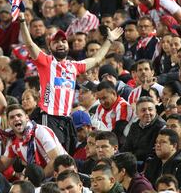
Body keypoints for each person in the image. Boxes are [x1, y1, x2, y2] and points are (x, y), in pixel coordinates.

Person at [18, 11, 123, 153]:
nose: (60, 44)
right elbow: (29, 45)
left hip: (67, 120)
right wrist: (23, 21)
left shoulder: (73, 66)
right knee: (54, 158)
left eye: (63, 41)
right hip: (49, 118)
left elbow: (97, 59)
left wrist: (109, 40)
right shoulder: (46, 62)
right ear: (50, 48)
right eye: (56, 42)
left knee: (67, 156)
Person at [0, 104, 66, 178]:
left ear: (27, 118)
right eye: (12, 117)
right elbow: (2, 165)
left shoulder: (40, 131)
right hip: (42, 179)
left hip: (63, 174)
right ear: (9, 123)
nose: (16, 118)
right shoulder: (12, 141)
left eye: (19, 115)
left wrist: (38, 180)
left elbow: (56, 159)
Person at [122, 96, 166, 163]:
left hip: (149, 163)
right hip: (133, 161)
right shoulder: (134, 125)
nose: (147, 113)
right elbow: (126, 147)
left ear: (155, 110)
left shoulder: (161, 127)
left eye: (150, 109)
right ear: (137, 113)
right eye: (143, 110)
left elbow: (154, 152)